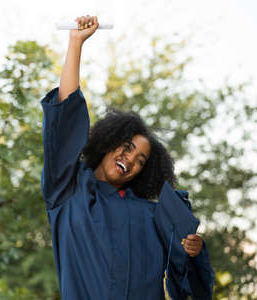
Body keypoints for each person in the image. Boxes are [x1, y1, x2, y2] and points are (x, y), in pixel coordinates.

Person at [40, 15, 215, 300]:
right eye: (126, 146)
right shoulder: (69, 193)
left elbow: (190, 288)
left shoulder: (151, 216)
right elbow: (65, 123)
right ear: (108, 143)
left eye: (141, 160)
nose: (130, 159)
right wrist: (75, 44)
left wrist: (194, 253)